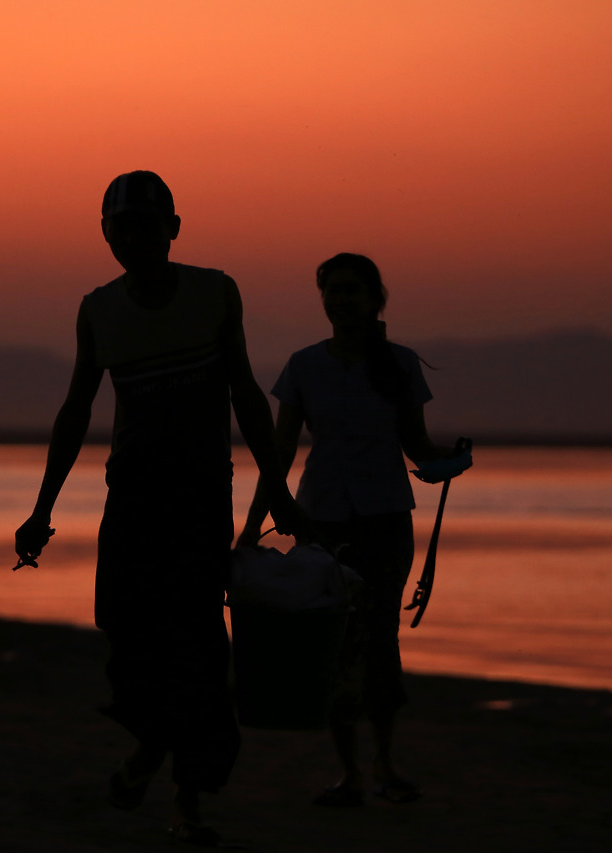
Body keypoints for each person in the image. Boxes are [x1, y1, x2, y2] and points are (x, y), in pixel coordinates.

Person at [14, 171, 303, 845]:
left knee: (198, 646)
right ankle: (151, 744)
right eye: (123, 226)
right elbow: (77, 409)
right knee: (125, 631)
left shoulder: (214, 293)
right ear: (106, 235)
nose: (136, 237)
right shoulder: (98, 310)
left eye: (149, 224)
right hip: (133, 496)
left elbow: (245, 394)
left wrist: (279, 492)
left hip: (199, 495)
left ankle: (187, 801)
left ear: (174, 228)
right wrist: (41, 509)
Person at [236, 252, 470, 807]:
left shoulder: (400, 364)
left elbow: (417, 446)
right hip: (321, 519)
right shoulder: (303, 365)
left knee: (381, 638)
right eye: (332, 290)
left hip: (385, 518)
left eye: (351, 290)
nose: (340, 300)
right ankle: (350, 774)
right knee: (332, 639)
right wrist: (251, 527)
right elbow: (280, 452)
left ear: (374, 299)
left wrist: (452, 459)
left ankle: (385, 763)